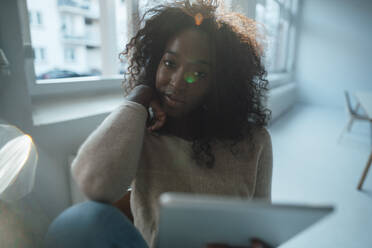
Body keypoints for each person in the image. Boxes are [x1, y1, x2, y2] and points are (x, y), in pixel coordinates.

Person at [44, 0, 272, 247]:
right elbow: (94, 185)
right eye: (170, 63)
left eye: (198, 74)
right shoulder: (143, 127)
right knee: (77, 221)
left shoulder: (254, 141)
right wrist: (138, 96)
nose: (177, 82)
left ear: (220, 84)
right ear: (155, 62)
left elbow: (260, 228)